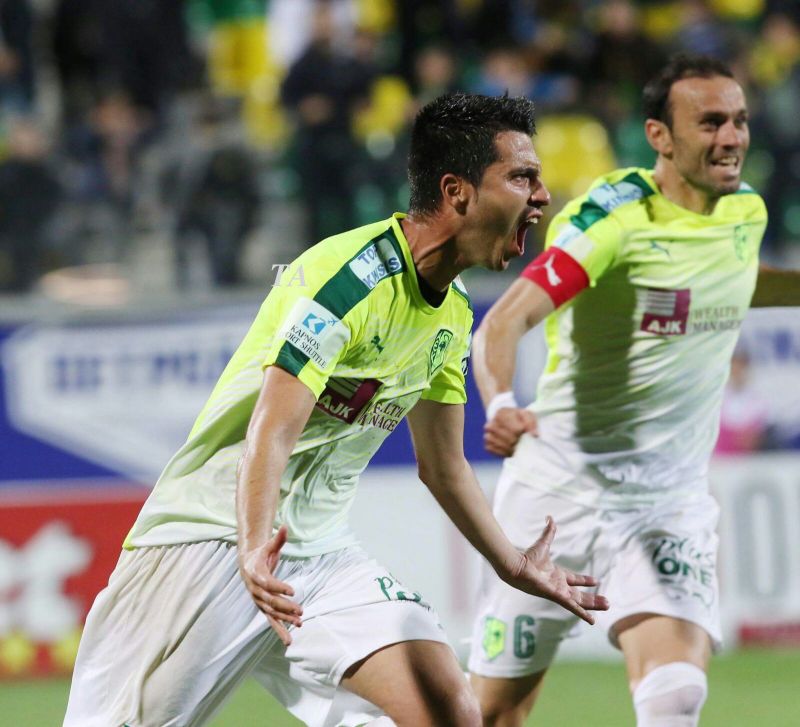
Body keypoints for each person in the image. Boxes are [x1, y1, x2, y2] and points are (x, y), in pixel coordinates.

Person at [63, 92, 608, 727]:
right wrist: (250, 548)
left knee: (449, 708)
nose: (541, 194)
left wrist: (512, 564)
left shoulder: (454, 309)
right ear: (457, 191)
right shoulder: (348, 278)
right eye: (522, 176)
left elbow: (444, 466)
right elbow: (273, 426)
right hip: (211, 538)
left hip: (318, 554)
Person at [467, 54, 800, 727]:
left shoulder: (745, 215)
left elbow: (733, 278)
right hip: (555, 493)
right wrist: (500, 400)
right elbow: (505, 320)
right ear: (659, 136)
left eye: (738, 121)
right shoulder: (612, 222)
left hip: (664, 503)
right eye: (710, 122)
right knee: (488, 715)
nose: (731, 137)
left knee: (675, 695)